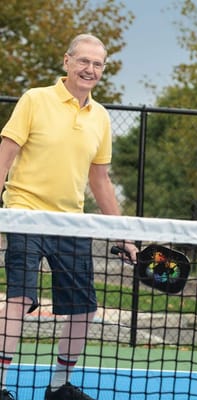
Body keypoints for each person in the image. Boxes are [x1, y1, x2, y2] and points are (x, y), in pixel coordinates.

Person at [0, 34, 138, 400]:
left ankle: (59, 386)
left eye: (97, 64)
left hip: (71, 221)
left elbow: (100, 180)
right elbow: (6, 153)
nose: (89, 69)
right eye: (83, 61)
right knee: (19, 298)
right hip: (24, 213)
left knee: (84, 307)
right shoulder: (35, 99)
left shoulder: (102, 117)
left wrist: (123, 234)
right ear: (67, 61)